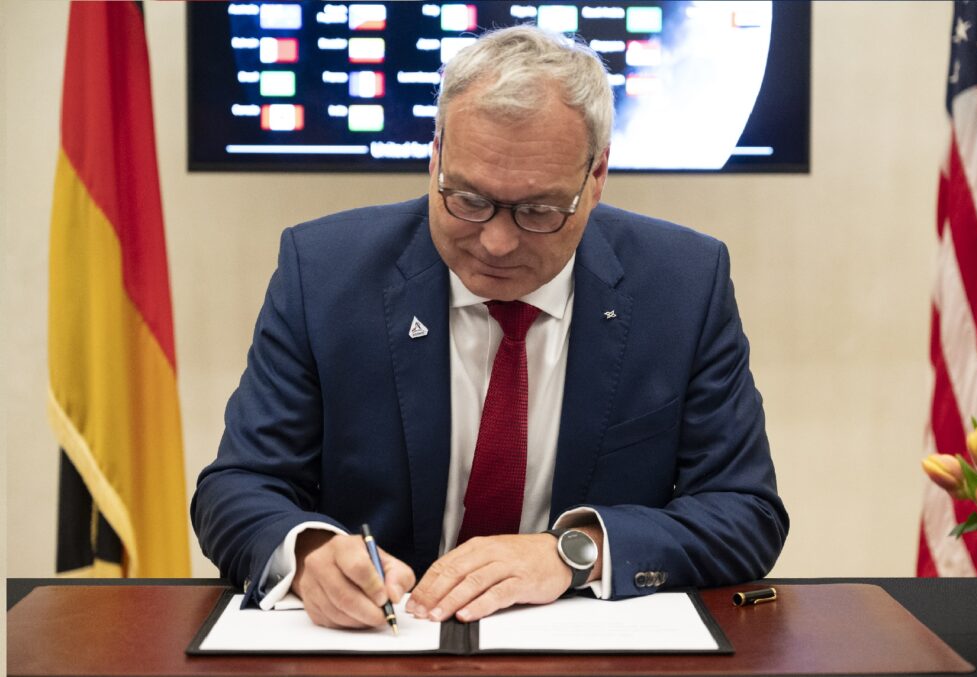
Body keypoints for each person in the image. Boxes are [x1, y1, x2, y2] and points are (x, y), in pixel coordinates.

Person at [191, 25, 788, 631]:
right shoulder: (323, 272)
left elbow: (745, 512)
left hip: (590, 644)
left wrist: (575, 553)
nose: (496, 243)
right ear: (436, 155)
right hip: (381, 643)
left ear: (598, 176)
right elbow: (238, 487)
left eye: (538, 211)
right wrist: (307, 553)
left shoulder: (682, 284)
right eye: (468, 200)